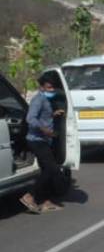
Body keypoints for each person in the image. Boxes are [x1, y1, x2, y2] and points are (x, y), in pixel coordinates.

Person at [18, 72, 66, 214]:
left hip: (43, 140)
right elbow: (30, 118)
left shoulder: (45, 100)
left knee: (46, 170)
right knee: (52, 169)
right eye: (49, 87)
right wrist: (45, 129)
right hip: (36, 140)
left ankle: (45, 202)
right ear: (42, 87)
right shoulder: (38, 100)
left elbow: (41, 116)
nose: (51, 90)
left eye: (53, 88)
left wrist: (52, 114)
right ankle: (29, 196)